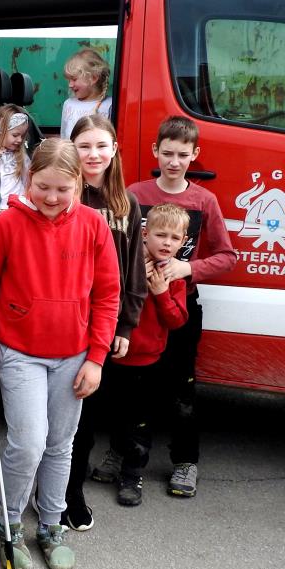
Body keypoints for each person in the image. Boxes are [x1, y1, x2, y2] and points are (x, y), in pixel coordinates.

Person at [0, 139, 120, 569]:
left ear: (79, 184)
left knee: (60, 444)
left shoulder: (93, 226)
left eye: (62, 189)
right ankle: (10, 524)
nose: (51, 197)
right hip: (21, 353)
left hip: (75, 356)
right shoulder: (6, 225)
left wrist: (96, 358)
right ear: (29, 180)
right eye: (43, 187)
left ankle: (51, 525)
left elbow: (108, 295)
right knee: (28, 443)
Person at [94, 116, 236, 497]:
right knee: (125, 390)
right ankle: (119, 452)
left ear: (194, 155)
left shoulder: (204, 201)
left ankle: (185, 461)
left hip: (179, 308)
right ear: (155, 151)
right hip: (135, 312)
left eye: (183, 155)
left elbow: (227, 256)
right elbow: (111, 243)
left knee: (180, 392)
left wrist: (185, 268)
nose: (174, 162)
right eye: (168, 153)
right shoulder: (134, 194)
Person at [60, 113, 147, 529]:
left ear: (115, 150)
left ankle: (71, 493)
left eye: (101, 146)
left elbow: (133, 271)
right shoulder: (62, 197)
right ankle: (49, 491)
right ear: (71, 149)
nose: (93, 154)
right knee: (59, 421)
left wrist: (125, 325)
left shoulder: (125, 204)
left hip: (103, 326)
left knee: (86, 419)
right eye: (84, 146)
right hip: (64, 322)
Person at [104, 203, 190, 506]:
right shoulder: (128, 264)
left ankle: (132, 475)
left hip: (148, 361)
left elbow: (177, 320)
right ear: (144, 234)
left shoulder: (174, 277)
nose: (167, 243)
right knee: (115, 413)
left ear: (183, 241)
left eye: (175, 238)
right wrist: (136, 277)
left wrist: (161, 292)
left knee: (139, 422)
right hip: (115, 354)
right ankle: (115, 458)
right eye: (160, 235)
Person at [58, 48, 112, 144]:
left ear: (94, 78)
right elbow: (63, 137)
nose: (70, 85)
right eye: (69, 80)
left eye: (74, 79)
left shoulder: (109, 105)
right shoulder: (68, 104)